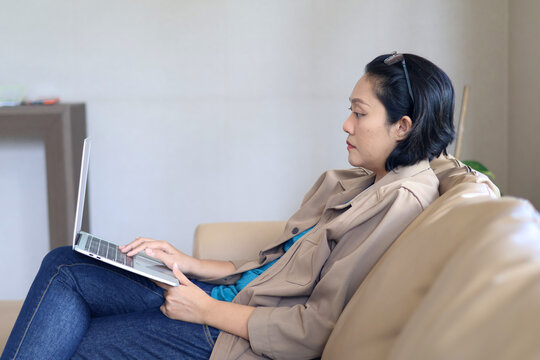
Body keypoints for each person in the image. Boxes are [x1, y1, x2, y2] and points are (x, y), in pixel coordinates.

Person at [2, 52, 455, 360]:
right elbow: (275, 266)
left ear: (402, 126)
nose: (346, 123)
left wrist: (204, 310)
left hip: (231, 332)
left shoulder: (397, 202)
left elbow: (316, 328)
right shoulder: (360, 182)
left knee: (74, 339)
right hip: (226, 297)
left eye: (359, 112)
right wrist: (188, 262)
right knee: (65, 263)